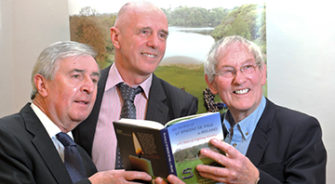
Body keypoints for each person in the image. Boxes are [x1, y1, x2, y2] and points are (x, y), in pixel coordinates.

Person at [73, 2, 198, 181]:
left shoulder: (182, 105)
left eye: (162, 35)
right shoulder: (83, 92)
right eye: (144, 32)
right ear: (116, 38)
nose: (155, 43)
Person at [0, 41, 153, 184]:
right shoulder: (6, 136)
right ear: (42, 85)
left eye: (94, 80)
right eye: (76, 76)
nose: (89, 87)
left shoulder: (81, 156)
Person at [194, 35, 327, 183]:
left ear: (262, 73)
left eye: (247, 67)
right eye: (227, 71)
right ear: (211, 83)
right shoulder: (205, 133)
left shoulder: (301, 130)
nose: (239, 80)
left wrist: (255, 180)